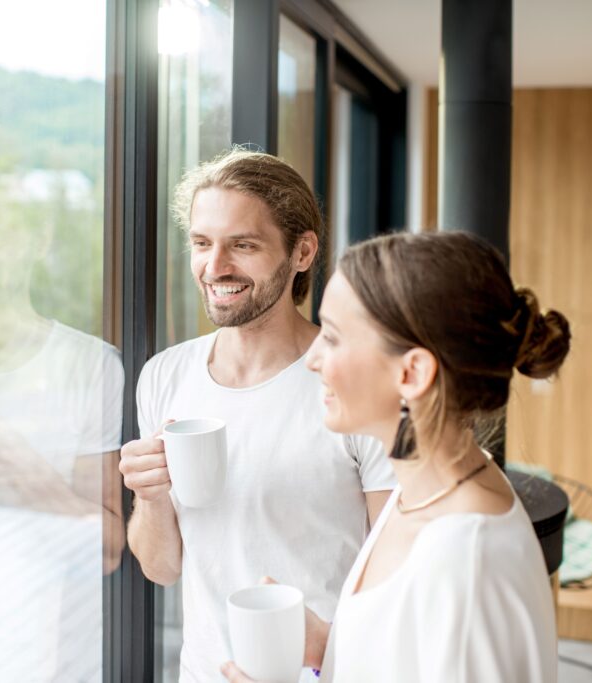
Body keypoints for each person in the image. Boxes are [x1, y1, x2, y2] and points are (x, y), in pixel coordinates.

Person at [221, 230, 570, 682]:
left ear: (412, 372)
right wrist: (328, 645)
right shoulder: (424, 490)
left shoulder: (467, 561)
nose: (312, 359)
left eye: (334, 337)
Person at [119, 149, 396, 682]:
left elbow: (394, 578)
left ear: (302, 252)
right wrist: (149, 497)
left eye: (242, 245)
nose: (215, 267)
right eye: (202, 243)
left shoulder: (350, 383)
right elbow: (163, 567)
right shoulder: (163, 376)